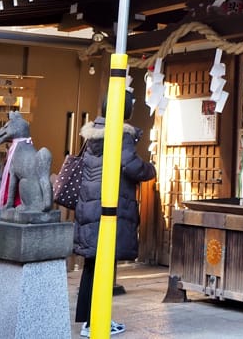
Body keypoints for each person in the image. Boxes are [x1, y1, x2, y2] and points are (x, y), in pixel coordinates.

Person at [74, 91, 156, 337]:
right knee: (105, 265)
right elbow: (132, 166)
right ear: (125, 109)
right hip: (109, 208)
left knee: (92, 264)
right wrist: (150, 168)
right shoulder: (121, 134)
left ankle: (89, 321)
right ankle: (97, 322)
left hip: (90, 206)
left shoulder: (94, 133)